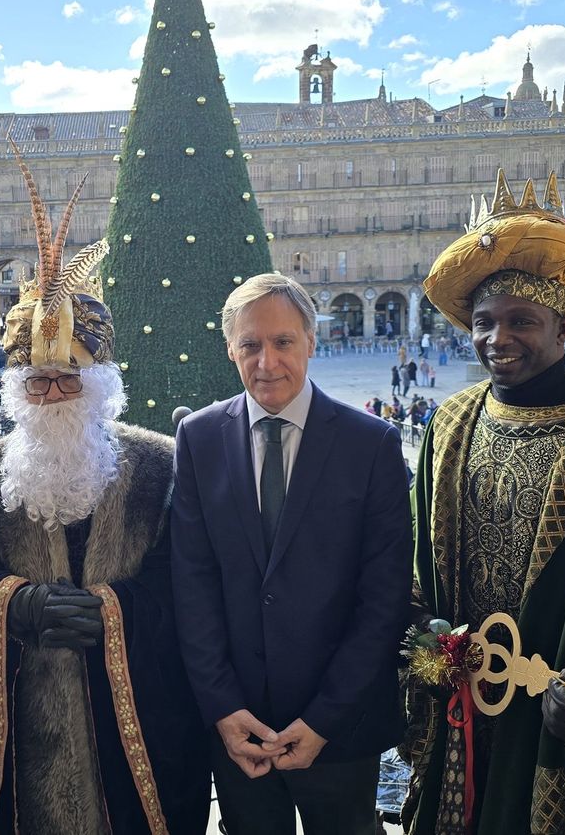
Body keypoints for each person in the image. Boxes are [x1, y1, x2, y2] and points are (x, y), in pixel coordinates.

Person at [0, 153, 209, 834]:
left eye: (69, 379)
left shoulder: (159, 465)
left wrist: (114, 613)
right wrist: (16, 603)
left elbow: (188, 579)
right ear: (17, 390)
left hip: (132, 724)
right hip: (28, 723)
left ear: (101, 384)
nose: (53, 393)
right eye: (38, 382)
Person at [402, 172, 565, 834]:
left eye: (522, 321)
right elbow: (416, 560)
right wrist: (423, 635)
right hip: (460, 711)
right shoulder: (448, 424)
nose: (499, 338)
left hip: (554, 725)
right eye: (485, 322)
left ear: (562, 326)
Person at [171, 273, 412, 835]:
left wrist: (325, 717)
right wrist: (223, 709)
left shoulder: (371, 444)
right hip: (240, 729)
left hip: (341, 728)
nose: (267, 362)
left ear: (311, 341)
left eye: (283, 341)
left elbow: (383, 600)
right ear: (230, 349)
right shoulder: (199, 439)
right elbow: (191, 584)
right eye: (250, 344)